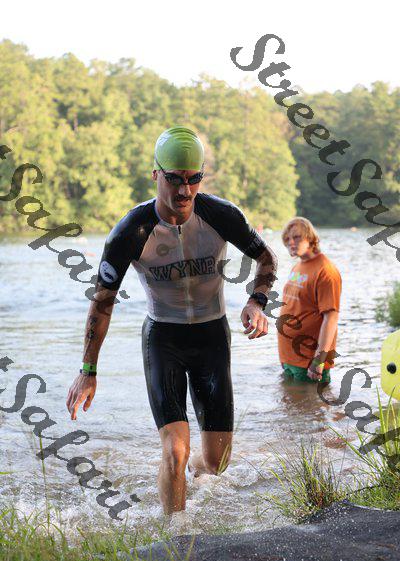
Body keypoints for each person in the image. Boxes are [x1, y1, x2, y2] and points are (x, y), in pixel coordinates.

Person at [66, 126, 278, 514]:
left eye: (193, 179)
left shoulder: (221, 215)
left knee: (216, 462)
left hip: (213, 337)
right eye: (174, 179)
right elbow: (102, 303)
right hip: (164, 339)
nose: (184, 190)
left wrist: (257, 301)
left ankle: (188, 477)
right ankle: (175, 535)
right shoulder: (131, 231)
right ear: (156, 175)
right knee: (175, 451)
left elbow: (266, 258)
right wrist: (88, 370)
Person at [278, 217, 342, 384]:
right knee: (290, 399)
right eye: (287, 239)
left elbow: (331, 318)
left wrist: (319, 361)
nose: (291, 243)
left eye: (297, 237)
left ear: (310, 238)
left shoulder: (326, 271)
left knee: (312, 401)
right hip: (289, 357)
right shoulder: (298, 266)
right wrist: (284, 356)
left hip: (308, 361)